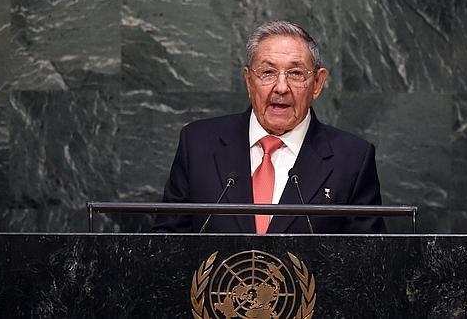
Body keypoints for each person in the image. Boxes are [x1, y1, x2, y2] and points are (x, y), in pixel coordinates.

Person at [152, 20, 385, 234]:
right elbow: (166, 243)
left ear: (317, 83)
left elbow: (368, 262)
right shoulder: (197, 144)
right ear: (248, 81)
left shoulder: (352, 158)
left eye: (295, 73)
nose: (281, 87)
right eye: (267, 72)